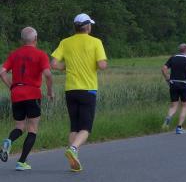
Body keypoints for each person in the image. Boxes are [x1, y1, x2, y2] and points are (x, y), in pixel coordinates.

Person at [51, 13, 108, 172]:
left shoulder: (65, 42)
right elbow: (102, 65)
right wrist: (100, 64)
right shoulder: (96, 42)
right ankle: (73, 149)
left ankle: (73, 160)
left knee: (74, 127)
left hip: (70, 89)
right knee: (86, 128)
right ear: (88, 26)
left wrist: (66, 67)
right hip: (88, 89)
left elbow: (53, 63)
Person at [0, 27, 53, 171]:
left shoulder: (14, 54)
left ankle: (9, 141)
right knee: (32, 129)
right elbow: (48, 75)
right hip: (32, 93)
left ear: (22, 40)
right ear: (35, 39)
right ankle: (21, 162)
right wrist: (50, 91)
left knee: (19, 127)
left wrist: (12, 86)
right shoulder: (41, 54)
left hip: (16, 93)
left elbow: (2, 72)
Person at [162, 44, 186, 133]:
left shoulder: (173, 58)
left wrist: (167, 79)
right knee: (184, 106)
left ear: (179, 50)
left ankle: (168, 117)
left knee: (173, 106)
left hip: (173, 84)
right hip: (184, 84)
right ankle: (179, 128)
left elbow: (163, 69)